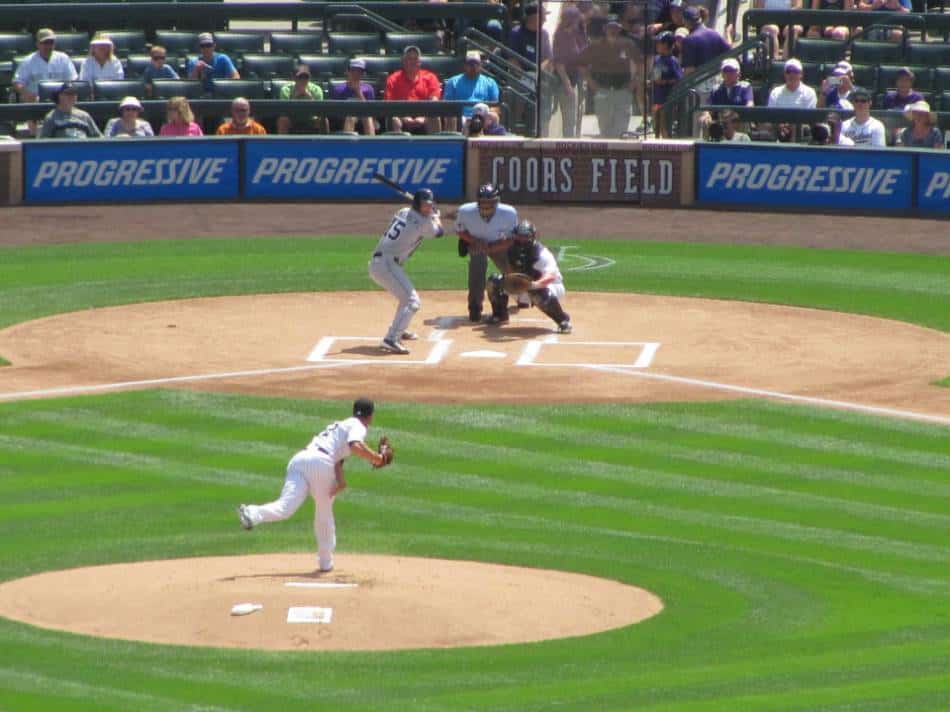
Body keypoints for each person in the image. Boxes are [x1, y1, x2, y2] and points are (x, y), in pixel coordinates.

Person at [236, 398, 393, 573]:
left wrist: (341, 482)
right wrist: (377, 458)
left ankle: (251, 513)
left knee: (285, 507)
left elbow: (338, 460)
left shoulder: (341, 425)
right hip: (320, 462)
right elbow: (355, 446)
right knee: (324, 510)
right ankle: (325, 562)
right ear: (370, 416)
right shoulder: (358, 425)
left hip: (300, 459)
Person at [369, 189, 444, 354]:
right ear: (417, 204)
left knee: (405, 298)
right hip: (386, 265)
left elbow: (414, 217)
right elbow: (439, 232)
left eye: (429, 205)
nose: (427, 208)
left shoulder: (403, 211)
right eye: (425, 205)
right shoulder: (423, 224)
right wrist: (436, 216)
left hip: (383, 262)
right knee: (412, 301)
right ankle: (391, 339)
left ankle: (399, 330)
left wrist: (429, 213)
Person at [483, 220, 572, 334]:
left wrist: (534, 285)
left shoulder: (541, 254)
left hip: (551, 287)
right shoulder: (511, 250)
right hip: (525, 287)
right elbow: (512, 271)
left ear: (532, 237)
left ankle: (563, 321)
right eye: (519, 236)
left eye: (525, 237)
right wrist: (513, 282)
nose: (521, 239)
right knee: (494, 281)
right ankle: (500, 315)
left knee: (538, 292)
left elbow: (550, 276)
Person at [455, 183, 519, 323]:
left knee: (513, 270)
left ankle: (521, 296)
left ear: (496, 202)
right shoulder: (465, 211)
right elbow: (460, 231)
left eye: (489, 202)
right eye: (483, 202)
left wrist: (492, 247)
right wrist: (475, 241)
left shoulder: (509, 213)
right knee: (477, 270)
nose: (486, 206)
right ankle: (475, 307)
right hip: (476, 244)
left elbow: (512, 239)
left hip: (498, 244)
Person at [576, 15, 639, 139]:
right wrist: (590, 82)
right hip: (602, 91)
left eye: (616, 28)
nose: (613, 31)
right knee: (605, 130)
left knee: (621, 130)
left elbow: (640, 63)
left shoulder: (628, 44)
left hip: (622, 90)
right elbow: (581, 63)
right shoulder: (596, 45)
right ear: (605, 29)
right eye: (610, 28)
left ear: (619, 29)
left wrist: (635, 80)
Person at [505, 2, 554, 135]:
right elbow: (512, 59)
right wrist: (526, 77)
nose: (545, 19)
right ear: (534, 17)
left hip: (538, 75)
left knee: (543, 103)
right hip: (519, 76)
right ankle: (515, 133)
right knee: (518, 99)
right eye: (543, 16)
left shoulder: (543, 34)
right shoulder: (517, 33)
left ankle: (542, 133)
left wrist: (537, 72)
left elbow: (548, 58)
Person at [383, 45, 443, 134]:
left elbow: (434, 102)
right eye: (409, 58)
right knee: (394, 118)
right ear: (403, 61)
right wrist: (404, 117)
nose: (412, 62)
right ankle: (397, 147)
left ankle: (435, 147)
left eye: (415, 59)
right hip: (401, 116)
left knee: (434, 115)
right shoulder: (393, 79)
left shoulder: (430, 77)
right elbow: (389, 105)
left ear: (420, 62)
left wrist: (423, 117)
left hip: (424, 116)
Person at [12, 28, 77, 103]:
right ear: (37, 44)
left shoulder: (63, 58)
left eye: (51, 42)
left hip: (61, 102)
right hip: (36, 103)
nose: (49, 46)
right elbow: (17, 82)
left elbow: (73, 80)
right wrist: (28, 95)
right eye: (45, 43)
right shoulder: (28, 61)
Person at [552, 5, 588, 138]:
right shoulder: (561, 35)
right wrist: (567, 85)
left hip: (578, 78)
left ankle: (576, 142)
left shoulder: (580, 33)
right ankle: (568, 146)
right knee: (569, 118)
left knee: (577, 116)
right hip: (565, 81)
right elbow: (559, 62)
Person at [680, 6, 730, 101]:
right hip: (717, 83)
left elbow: (689, 70)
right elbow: (729, 53)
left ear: (685, 21)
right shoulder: (714, 34)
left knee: (699, 115)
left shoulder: (689, 40)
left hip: (698, 87)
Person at [442, 50, 500, 131]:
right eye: (470, 64)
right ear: (464, 65)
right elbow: (447, 106)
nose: (473, 67)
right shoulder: (453, 82)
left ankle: (491, 142)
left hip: (482, 116)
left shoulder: (490, 82)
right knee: (451, 116)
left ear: (481, 65)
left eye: (476, 64)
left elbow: (495, 106)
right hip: (460, 117)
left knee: (494, 115)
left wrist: (486, 115)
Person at [329, 58, 376, 135]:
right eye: (353, 71)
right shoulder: (339, 89)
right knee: (351, 117)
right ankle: (348, 145)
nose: (356, 74)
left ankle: (372, 144)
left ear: (363, 74)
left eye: (359, 72)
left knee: (367, 117)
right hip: (345, 117)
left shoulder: (368, 89)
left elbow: (370, 110)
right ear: (347, 72)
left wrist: (358, 92)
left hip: (363, 115)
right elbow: (336, 111)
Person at [649, 31, 682, 138]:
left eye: (661, 43)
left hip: (667, 98)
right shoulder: (657, 59)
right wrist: (652, 80)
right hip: (657, 98)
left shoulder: (672, 61)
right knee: (656, 125)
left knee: (665, 125)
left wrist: (665, 82)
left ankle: (666, 144)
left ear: (668, 45)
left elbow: (679, 79)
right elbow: (654, 74)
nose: (657, 45)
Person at [276, 65, 325, 135]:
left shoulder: (317, 90)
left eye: (306, 77)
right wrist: (295, 97)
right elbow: (284, 111)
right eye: (300, 77)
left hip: (311, 118)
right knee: (283, 120)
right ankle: (282, 145)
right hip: (292, 118)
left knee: (323, 120)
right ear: (294, 78)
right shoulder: (286, 90)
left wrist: (310, 97)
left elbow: (319, 112)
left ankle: (323, 144)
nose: (303, 80)